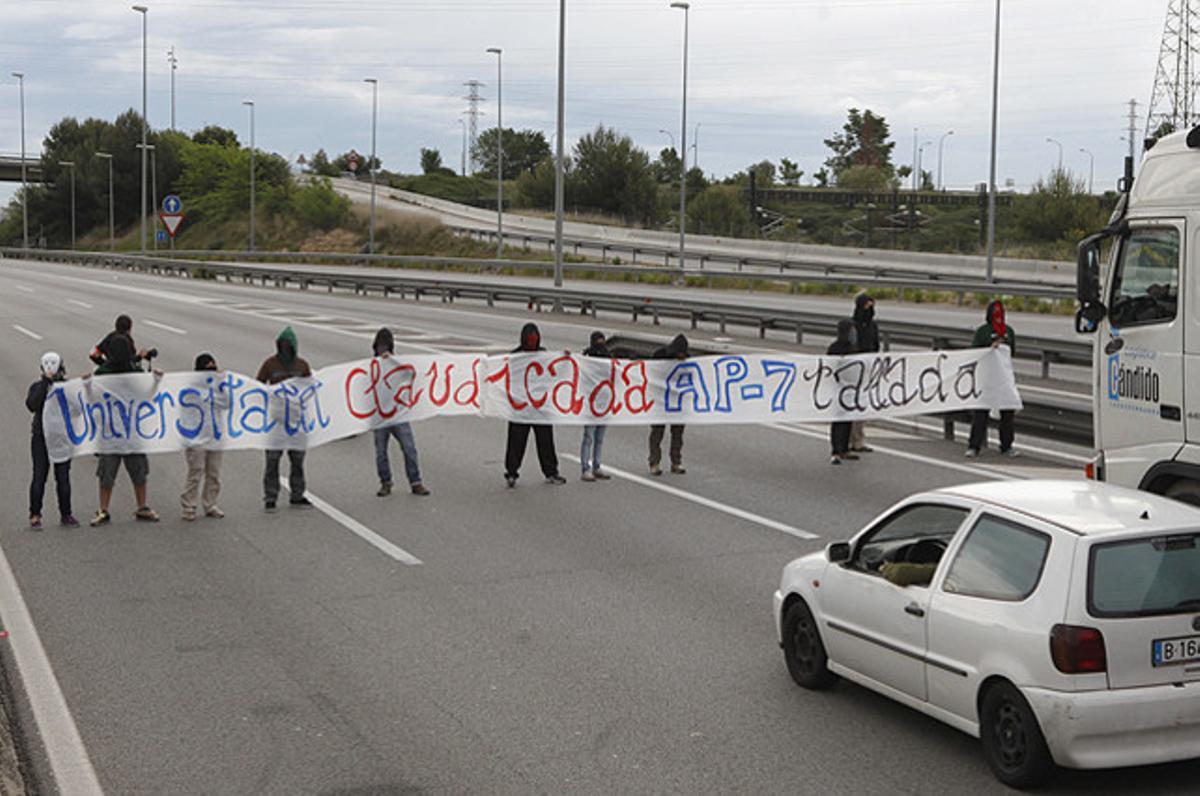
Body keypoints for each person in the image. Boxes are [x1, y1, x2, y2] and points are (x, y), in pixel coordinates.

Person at [89, 334, 160, 526]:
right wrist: (155, 382)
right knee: (120, 472)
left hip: (117, 432)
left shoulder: (106, 372)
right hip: (122, 432)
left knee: (120, 472)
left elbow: (92, 398)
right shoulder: (128, 371)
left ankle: (107, 508)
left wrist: (155, 381)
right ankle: (137, 506)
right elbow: (148, 396)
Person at [256, 326, 314, 511]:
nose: (286, 349)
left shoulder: (302, 366)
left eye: (289, 345)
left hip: (296, 422)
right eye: (283, 345)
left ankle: (297, 495)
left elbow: (310, 388)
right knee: (272, 460)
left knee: (297, 460)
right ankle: (270, 497)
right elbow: (259, 385)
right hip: (276, 422)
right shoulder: (270, 364)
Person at [371, 327, 431, 497]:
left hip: (398, 414)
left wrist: (393, 361)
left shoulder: (397, 364)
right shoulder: (370, 367)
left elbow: (412, 373)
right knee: (381, 452)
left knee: (409, 448)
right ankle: (385, 482)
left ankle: (416, 482)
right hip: (380, 417)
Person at [504, 322, 566, 487]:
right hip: (522, 407)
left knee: (546, 441)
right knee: (516, 442)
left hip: (539, 407)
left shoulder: (543, 355)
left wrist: (564, 359)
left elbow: (554, 371)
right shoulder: (515, 356)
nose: (532, 342)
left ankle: (551, 472)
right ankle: (511, 472)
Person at [27, 352, 77, 528]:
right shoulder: (37, 386)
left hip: (61, 437)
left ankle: (66, 513)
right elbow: (32, 405)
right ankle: (35, 514)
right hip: (41, 437)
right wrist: (45, 383)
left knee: (62, 476)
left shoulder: (67, 387)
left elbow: (77, 408)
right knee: (40, 475)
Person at [967, 300, 1018, 458]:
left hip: (1003, 379)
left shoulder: (1008, 331)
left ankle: (1006, 445)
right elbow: (974, 351)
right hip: (986, 379)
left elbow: (1012, 352)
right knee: (981, 413)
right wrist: (990, 348)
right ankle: (974, 446)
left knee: (1007, 412)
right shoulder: (983, 331)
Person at [180, 353, 225, 521]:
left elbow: (227, 403)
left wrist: (221, 384)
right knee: (195, 472)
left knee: (214, 473)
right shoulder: (190, 388)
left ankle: (210, 504)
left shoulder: (218, 388)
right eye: (208, 369)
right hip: (196, 438)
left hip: (215, 437)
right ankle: (189, 505)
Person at [649, 334, 690, 476]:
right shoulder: (659, 356)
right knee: (657, 432)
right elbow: (650, 374)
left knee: (678, 434)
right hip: (660, 401)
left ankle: (676, 462)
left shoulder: (687, 362)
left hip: (678, 403)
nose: (681, 356)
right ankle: (654, 462)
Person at [580, 330, 613, 482]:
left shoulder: (608, 358)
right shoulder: (586, 358)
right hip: (591, 404)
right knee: (589, 437)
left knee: (599, 437)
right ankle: (585, 467)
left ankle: (597, 465)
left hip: (604, 403)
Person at [826, 319, 860, 465]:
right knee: (838, 421)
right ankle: (835, 451)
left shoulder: (853, 347)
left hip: (850, 388)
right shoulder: (835, 347)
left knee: (848, 419)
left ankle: (844, 449)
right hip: (838, 388)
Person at [850, 293, 879, 454]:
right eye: (867, 306)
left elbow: (875, 345)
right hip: (854, 370)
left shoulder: (873, 326)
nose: (870, 310)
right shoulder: (852, 325)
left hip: (867, 369)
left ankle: (859, 440)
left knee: (861, 407)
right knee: (850, 406)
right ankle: (847, 440)